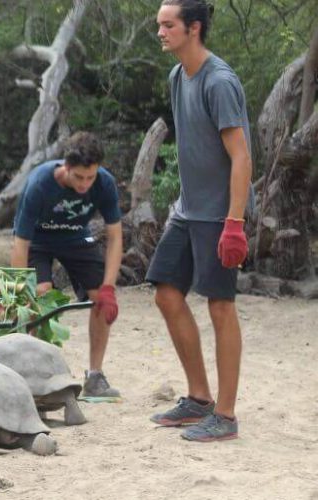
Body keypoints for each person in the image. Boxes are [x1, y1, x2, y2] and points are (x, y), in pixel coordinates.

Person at [147, 0, 253, 442]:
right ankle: (199, 399)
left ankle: (225, 417)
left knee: (220, 306)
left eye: (168, 25)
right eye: (159, 25)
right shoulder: (177, 76)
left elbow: (241, 155)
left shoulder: (219, 81)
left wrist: (234, 223)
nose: (160, 32)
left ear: (193, 28)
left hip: (218, 215)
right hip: (187, 210)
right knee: (166, 292)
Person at [11, 131, 124, 398]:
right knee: (40, 296)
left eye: (91, 177)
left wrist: (108, 287)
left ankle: (95, 377)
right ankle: (34, 376)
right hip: (37, 240)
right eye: (79, 177)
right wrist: (21, 291)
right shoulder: (40, 184)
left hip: (75, 237)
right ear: (66, 167)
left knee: (100, 299)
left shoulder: (104, 184)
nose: (85, 184)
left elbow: (115, 236)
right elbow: (20, 243)